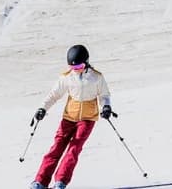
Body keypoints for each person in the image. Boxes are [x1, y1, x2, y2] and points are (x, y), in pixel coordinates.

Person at [29, 44, 114, 189]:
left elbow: (104, 95)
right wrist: (42, 108)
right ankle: (40, 182)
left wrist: (106, 106)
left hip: (88, 118)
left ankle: (60, 181)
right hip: (69, 117)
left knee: (73, 150)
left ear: (86, 63)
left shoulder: (97, 77)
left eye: (79, 66)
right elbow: (54, 95)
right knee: (56, 148)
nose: (76, 70)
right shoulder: (67, 77)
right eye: (73, 68)